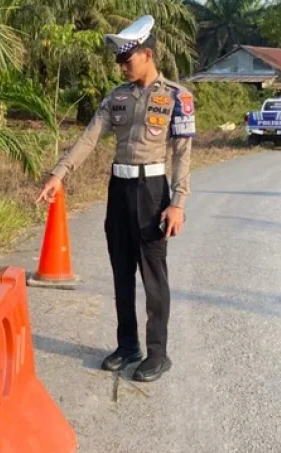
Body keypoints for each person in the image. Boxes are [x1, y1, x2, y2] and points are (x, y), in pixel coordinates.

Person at [38, 15, 195, 382]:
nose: (122, 66)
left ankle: (158, 354)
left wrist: (178, 203)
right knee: (121, 273)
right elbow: (89, 138)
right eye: (120, 61)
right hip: (119, 191)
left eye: (127, 59)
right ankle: (128, 346)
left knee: (153, 278)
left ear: (148, 55)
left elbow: (182, 154)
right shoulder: (117, 97)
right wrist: (58, 174)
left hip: (153, 193)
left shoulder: (177, 97)